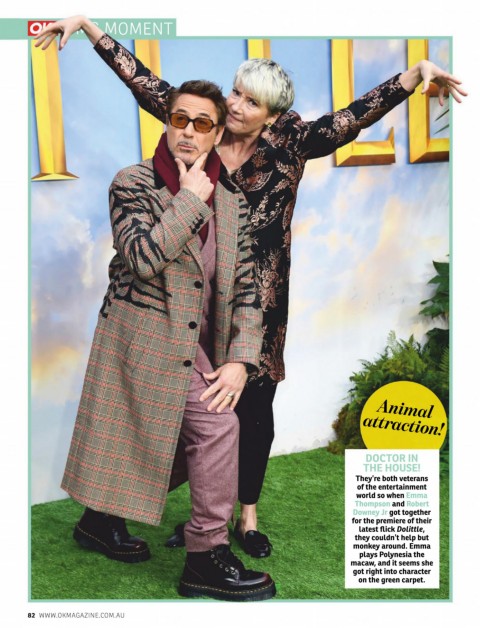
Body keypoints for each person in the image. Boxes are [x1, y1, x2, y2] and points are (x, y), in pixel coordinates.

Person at [35, 17, 467, 558]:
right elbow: (143, 81)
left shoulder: (292, 142)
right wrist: (91, 28)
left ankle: (246, 517)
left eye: (251, 101)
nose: (236, 105)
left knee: (252, 407)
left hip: (254, 299)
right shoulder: (204, 126)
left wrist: (415, 74)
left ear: (273, 116)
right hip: (187, 290)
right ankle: (174, 516)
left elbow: (353, 117)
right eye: (236, 92)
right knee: (191, 409)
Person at [58, 77, 275, 602]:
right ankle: (204, 557)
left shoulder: (233, 200)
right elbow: (141, 258)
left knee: (191, 433)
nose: (189, 132)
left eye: (203, 123)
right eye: (180, 119)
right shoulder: (132, 182)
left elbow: (249, 288)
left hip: (198, 344)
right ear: (167, 122)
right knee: (212, 429)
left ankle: (99, 518)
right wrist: (190, 201)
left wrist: (241, 360)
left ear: (218, 133)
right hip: (141, 335)